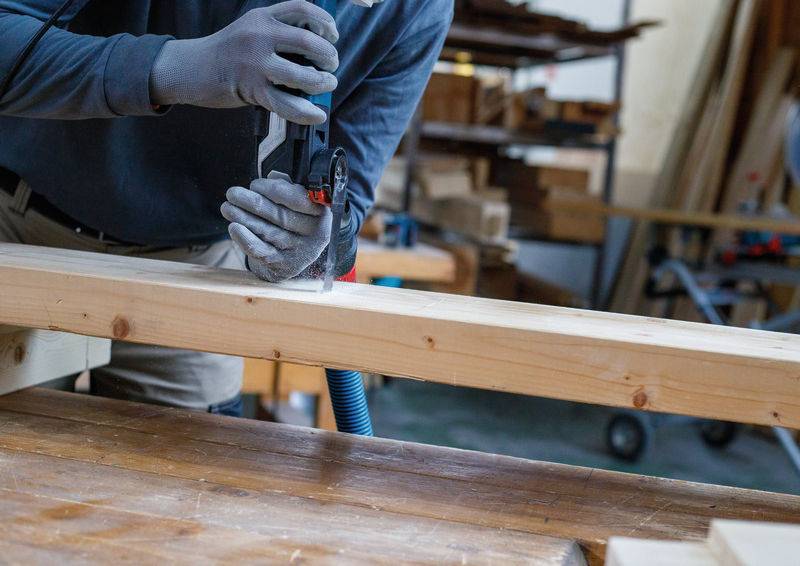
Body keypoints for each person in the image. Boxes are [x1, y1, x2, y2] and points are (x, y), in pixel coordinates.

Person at [0, 0, 452, 416]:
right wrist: (175, 67)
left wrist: (310, 240)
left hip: (200, 268)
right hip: (22, 229)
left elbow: (345, 196)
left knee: (187, 492)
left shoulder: (418, 8)